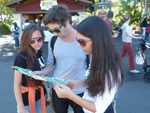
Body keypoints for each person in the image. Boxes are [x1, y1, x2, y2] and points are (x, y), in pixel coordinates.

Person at [54, 16, 125, 113]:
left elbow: (98, 108)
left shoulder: (111, 69)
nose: (78, 45)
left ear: (97, 40)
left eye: (82, 42)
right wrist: (78, 83)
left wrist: (70, 95)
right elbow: (95, 80)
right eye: (77, 40)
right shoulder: (95, 55)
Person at [33, 4, 87, 113]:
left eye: (57, 29)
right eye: (51, 30)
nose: (54, 33)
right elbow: (50, 62)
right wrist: (43, 72)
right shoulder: (53, 41)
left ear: (67, 22)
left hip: (80, 91)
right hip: (58, 89)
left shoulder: (84, 39)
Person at [13, 24, 47, 113]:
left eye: (39, 39)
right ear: (27, 40)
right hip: (26, 101)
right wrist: (21, 107)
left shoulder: (39, 51)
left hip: (41, 95)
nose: (36, 43)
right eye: (32, 40)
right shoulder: (21, 57)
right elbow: (17, 84)